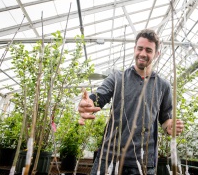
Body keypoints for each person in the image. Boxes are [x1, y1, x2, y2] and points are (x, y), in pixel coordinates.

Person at [78, 29, 184, 175]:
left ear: (156, 54)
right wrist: (89, 103)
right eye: (140, 48)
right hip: (109, 158)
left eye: (148, 50)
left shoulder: (163, 86)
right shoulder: (117, 78)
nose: (143, 54)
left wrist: (170, 127)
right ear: (134, 49)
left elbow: (165, 119)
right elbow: (98, 97)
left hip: (144, 162)